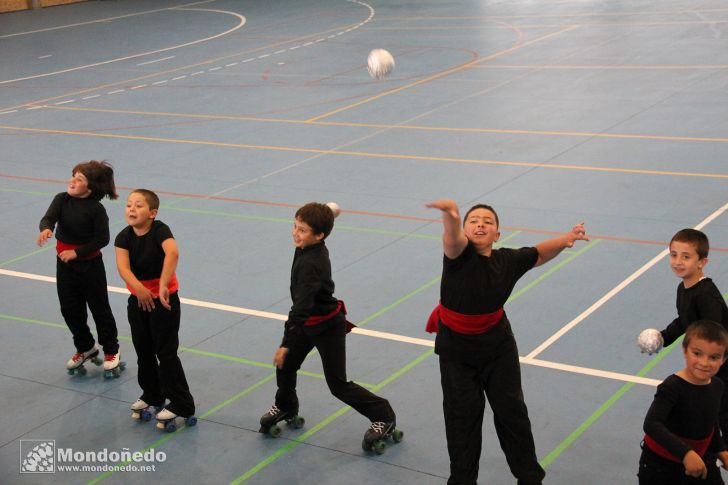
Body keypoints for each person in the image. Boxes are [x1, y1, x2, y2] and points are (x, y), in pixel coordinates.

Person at [425, 199, 589, 485]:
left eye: (488, 221)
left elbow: (538, 254)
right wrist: (451, 215)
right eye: (473, 220)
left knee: (512, 413)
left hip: (498, 347)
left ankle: (529, 478)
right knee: (462, 419)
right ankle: (462, 480)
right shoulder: (457, 255)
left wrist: (565, 240)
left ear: (497, 235)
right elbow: (451, 239)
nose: (480, 224)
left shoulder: (507, 261)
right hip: (457, 352)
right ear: (464, 231)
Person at [260, 202, 398, 447]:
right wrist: (329, 211)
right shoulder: (310, 241)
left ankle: (383, 415)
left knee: (338, 385)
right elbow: (320, 217)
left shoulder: (311, 265)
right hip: (309, 322)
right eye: (295, 226)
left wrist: (285, 344)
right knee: (286, 366)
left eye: (302, 230)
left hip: (326, 326)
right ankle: (286, 405)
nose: (295, 233)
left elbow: (300, 310)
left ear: (319, 235)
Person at [114, 189, 195, 426]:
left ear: (152, 213)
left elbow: (173, 252)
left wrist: (162, 285)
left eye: (138, 205)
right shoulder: (123, 237)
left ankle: (182, 403)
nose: (132, 209)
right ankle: (153, 393)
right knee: (143, 351)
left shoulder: (160, 230)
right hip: (138, 301)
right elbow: (123, 267)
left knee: (166, 353)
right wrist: (138, 289)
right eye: (129, 205)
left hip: (164, 301)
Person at [37, 160, 121, 374]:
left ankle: (111, 350)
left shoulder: (96, 210)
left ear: (90, 187)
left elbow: (102, 239)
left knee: (99, 309)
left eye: (79, 178)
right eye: (73, 175)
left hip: (90, 267)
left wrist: (77, 253)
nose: (72, 180)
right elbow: (49, 218)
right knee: (70, 309)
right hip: (65, 266)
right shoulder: (61, 199)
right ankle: (85, 347)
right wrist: (46, 229)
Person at [639, 320, 728, 484]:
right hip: (661, 467)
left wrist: (720, 449)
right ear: (685, 350)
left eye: (714, 357)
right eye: (697, 353)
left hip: (702, 460)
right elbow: (652, 424)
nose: (704, 363)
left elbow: (711, 421)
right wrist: (686, 453)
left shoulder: (717, 385)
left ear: (724, 359)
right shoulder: (672, 386)